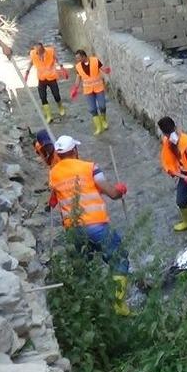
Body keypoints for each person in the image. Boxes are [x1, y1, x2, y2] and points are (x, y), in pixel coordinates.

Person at [48, 135, 131, 315]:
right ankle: (118, 305)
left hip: (73, 228)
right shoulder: (90, 167)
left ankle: (90, 308)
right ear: (74, 151)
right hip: (96, 225)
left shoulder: (53, 174)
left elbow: (55, 196)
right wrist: (120, 191)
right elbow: (111, 192)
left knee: (84, 267)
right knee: (119, 260)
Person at [157, 116, 187, 239]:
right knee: (180, 200)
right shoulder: (168, 141)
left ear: (174, 128)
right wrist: (177, 172)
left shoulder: (184, 140)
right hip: (183, 173)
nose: (168, 137)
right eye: (166, 134)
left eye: (169, 134)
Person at [24, 43, 68, 124]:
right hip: (41, 78)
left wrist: (62, 68)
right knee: (42, 97)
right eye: (36, 51)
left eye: (39, 51)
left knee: (56, 95)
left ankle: (60, 107)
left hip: (51, 77)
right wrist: (27, 72)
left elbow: (57, 59)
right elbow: (31, 62)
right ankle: (49, 115)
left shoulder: (50, 51)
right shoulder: (33, 53)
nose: (38, 53)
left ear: (43, 49)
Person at [70, 50, 112, 136]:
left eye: (78, 58)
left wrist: (106, 70)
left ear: (83, 56)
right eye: (76, 58)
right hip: (88, 90)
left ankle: (103, 120)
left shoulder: (95, 60)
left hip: (98, 87)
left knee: (102, 106)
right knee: (92, 109)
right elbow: (78, 78)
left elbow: (102, 68)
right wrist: (75, 89)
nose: (77, 60)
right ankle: (98, 127)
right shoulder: (78, 66)